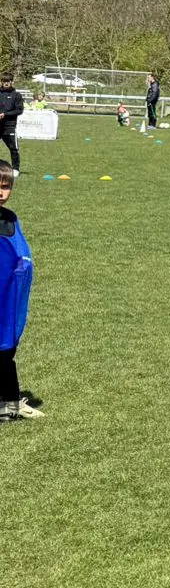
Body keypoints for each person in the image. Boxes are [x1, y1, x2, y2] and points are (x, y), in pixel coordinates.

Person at [0, 163, 41, 423]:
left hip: (6, 299)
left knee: (5, 352)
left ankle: (10, 404)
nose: (1, 192)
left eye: (6, 187)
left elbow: (20, 255)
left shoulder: (11, 220)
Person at [0, 74, 25, 173]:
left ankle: (15, 169)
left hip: (9, 126)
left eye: (8, 81)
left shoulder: (17, 95)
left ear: (12, 82)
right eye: (4, 81)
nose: (6, 83)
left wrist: (5, 114)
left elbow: (19, 110)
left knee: (13, 148)